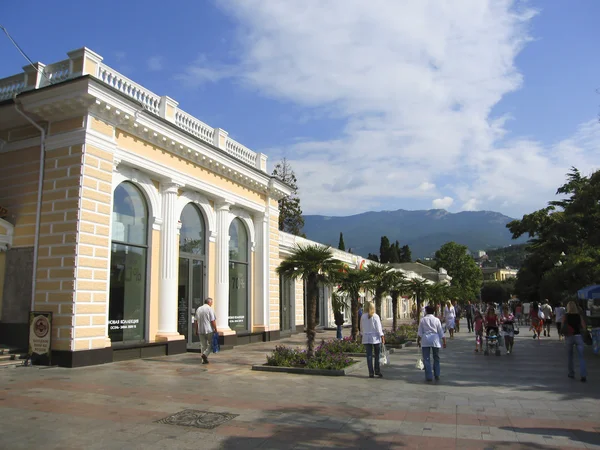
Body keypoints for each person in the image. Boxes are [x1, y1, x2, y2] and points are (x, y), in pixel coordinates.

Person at [417, 305, 447, 382]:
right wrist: (444, 341)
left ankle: (429, 376)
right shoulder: (436, 320)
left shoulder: (423, 320)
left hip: (425, 340)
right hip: (435, 340)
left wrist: (418, 341)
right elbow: (440, 331)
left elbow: (420, 332)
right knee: (436, 357)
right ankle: (437, 374)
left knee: (426, 359)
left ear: (426, 311)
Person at [562, 301, 587, 382]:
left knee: (570, 356)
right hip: (578, 336)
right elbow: (584, 327)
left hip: (569, 337)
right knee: (581, 357)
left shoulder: (565, 316)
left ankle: (571, 373)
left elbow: (563, 326)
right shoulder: (579, 316)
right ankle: (583, 375)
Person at [360, 301, 384, 378]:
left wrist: (362, 334)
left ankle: (371, 372)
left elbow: (361, 328)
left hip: (366, 338)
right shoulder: (375, 316)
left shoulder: (363, 316)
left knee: (369, 356)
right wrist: (382, 336)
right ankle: (377, 370)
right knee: (377, 355)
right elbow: (378, 328)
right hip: (375, 338)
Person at [195, 298, 217, 364]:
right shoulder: (210, 309)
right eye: (211, 303)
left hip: (200, 330)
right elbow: (212, 320)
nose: (212, 304)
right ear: (209, 302)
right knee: (211, 344)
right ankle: (205, 354)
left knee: (203, 345)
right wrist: (215, 329)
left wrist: (196, 330)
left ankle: (203, 360)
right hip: (209, 329)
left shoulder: (199, 309)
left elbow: (196, 321)